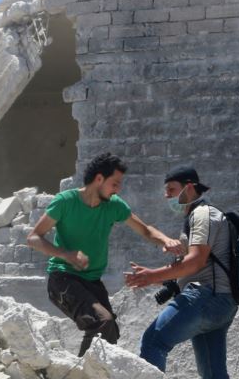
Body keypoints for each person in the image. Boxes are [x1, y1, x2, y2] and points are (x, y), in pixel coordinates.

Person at [28, 153, 181, 357]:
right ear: (99, 179)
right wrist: (66, 254)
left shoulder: (114, 205)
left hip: (92, 282)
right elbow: (33, 237)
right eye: (115, 184)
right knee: (102, 322)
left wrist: (165, 240)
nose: (118, 189)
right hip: (63, 279)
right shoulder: (66, 202)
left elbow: (145, 230)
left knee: (110, 335)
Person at [124, 165, 239, 379]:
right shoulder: (201, 216)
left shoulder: (202, 214)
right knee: (213, 373)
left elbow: (196, 260)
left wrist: (152, 275)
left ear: (189, 187)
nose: (167, 197)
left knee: (154, 340)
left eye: (172, 190)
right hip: (221, 303)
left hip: (206, 296)